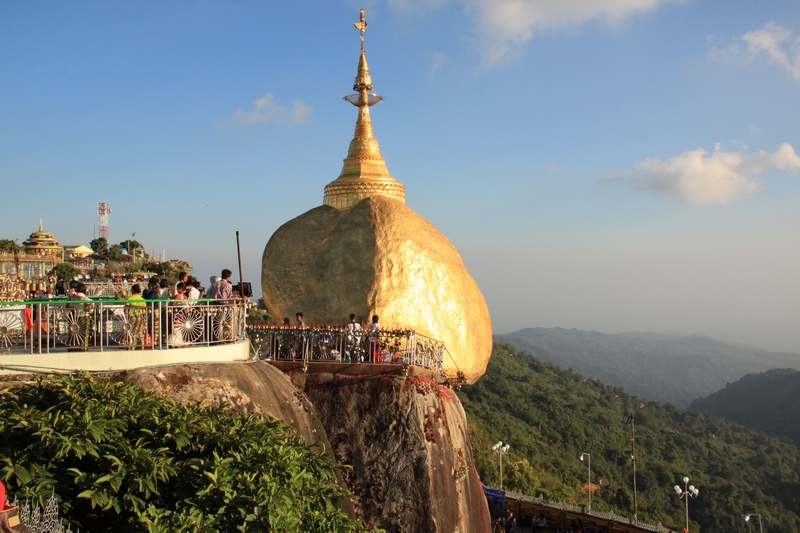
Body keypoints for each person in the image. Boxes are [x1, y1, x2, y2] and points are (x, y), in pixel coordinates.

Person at [126, 284, 147, 349]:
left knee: (132, 331)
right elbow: (144, 309)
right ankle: (142, 345)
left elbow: (126, 307)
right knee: (140, 331)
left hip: (132, 316)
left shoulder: (130, 299)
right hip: (140, 316)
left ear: (133, 291)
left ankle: (132, 346)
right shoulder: (142, 299)